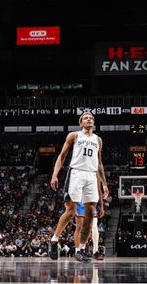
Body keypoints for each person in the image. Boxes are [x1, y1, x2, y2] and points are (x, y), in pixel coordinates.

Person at [49, 111, 109, 262]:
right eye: (85, 118)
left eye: (91, 118)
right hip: (76, 173)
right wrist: (55, 174)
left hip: (91, 174)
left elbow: (99, 164)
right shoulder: (74, 136)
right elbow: (62, 156)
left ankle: (81, 249)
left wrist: (104, 184)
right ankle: (54, 240)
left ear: (93, 123)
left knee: (90, 213)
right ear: (81, 123)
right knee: (71, 211)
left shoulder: (98, 140)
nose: (89, 120)